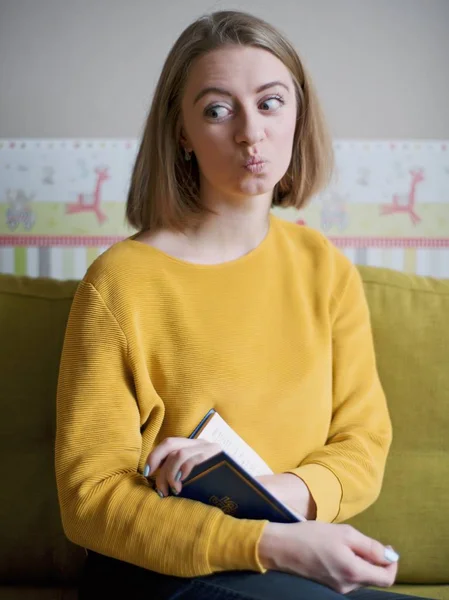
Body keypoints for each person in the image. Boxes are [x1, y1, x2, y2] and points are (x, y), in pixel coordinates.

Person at [55, 10, 431, 600]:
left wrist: (281, 496)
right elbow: (90, 500)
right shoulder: (119, 284)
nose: (251, 133)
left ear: (298, 113)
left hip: (290, 562)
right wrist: (269, 541)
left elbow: (362, 443)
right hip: (161, 576)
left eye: (271, 102)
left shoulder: (324, 268)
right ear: (181, 132)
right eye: (217, 109)